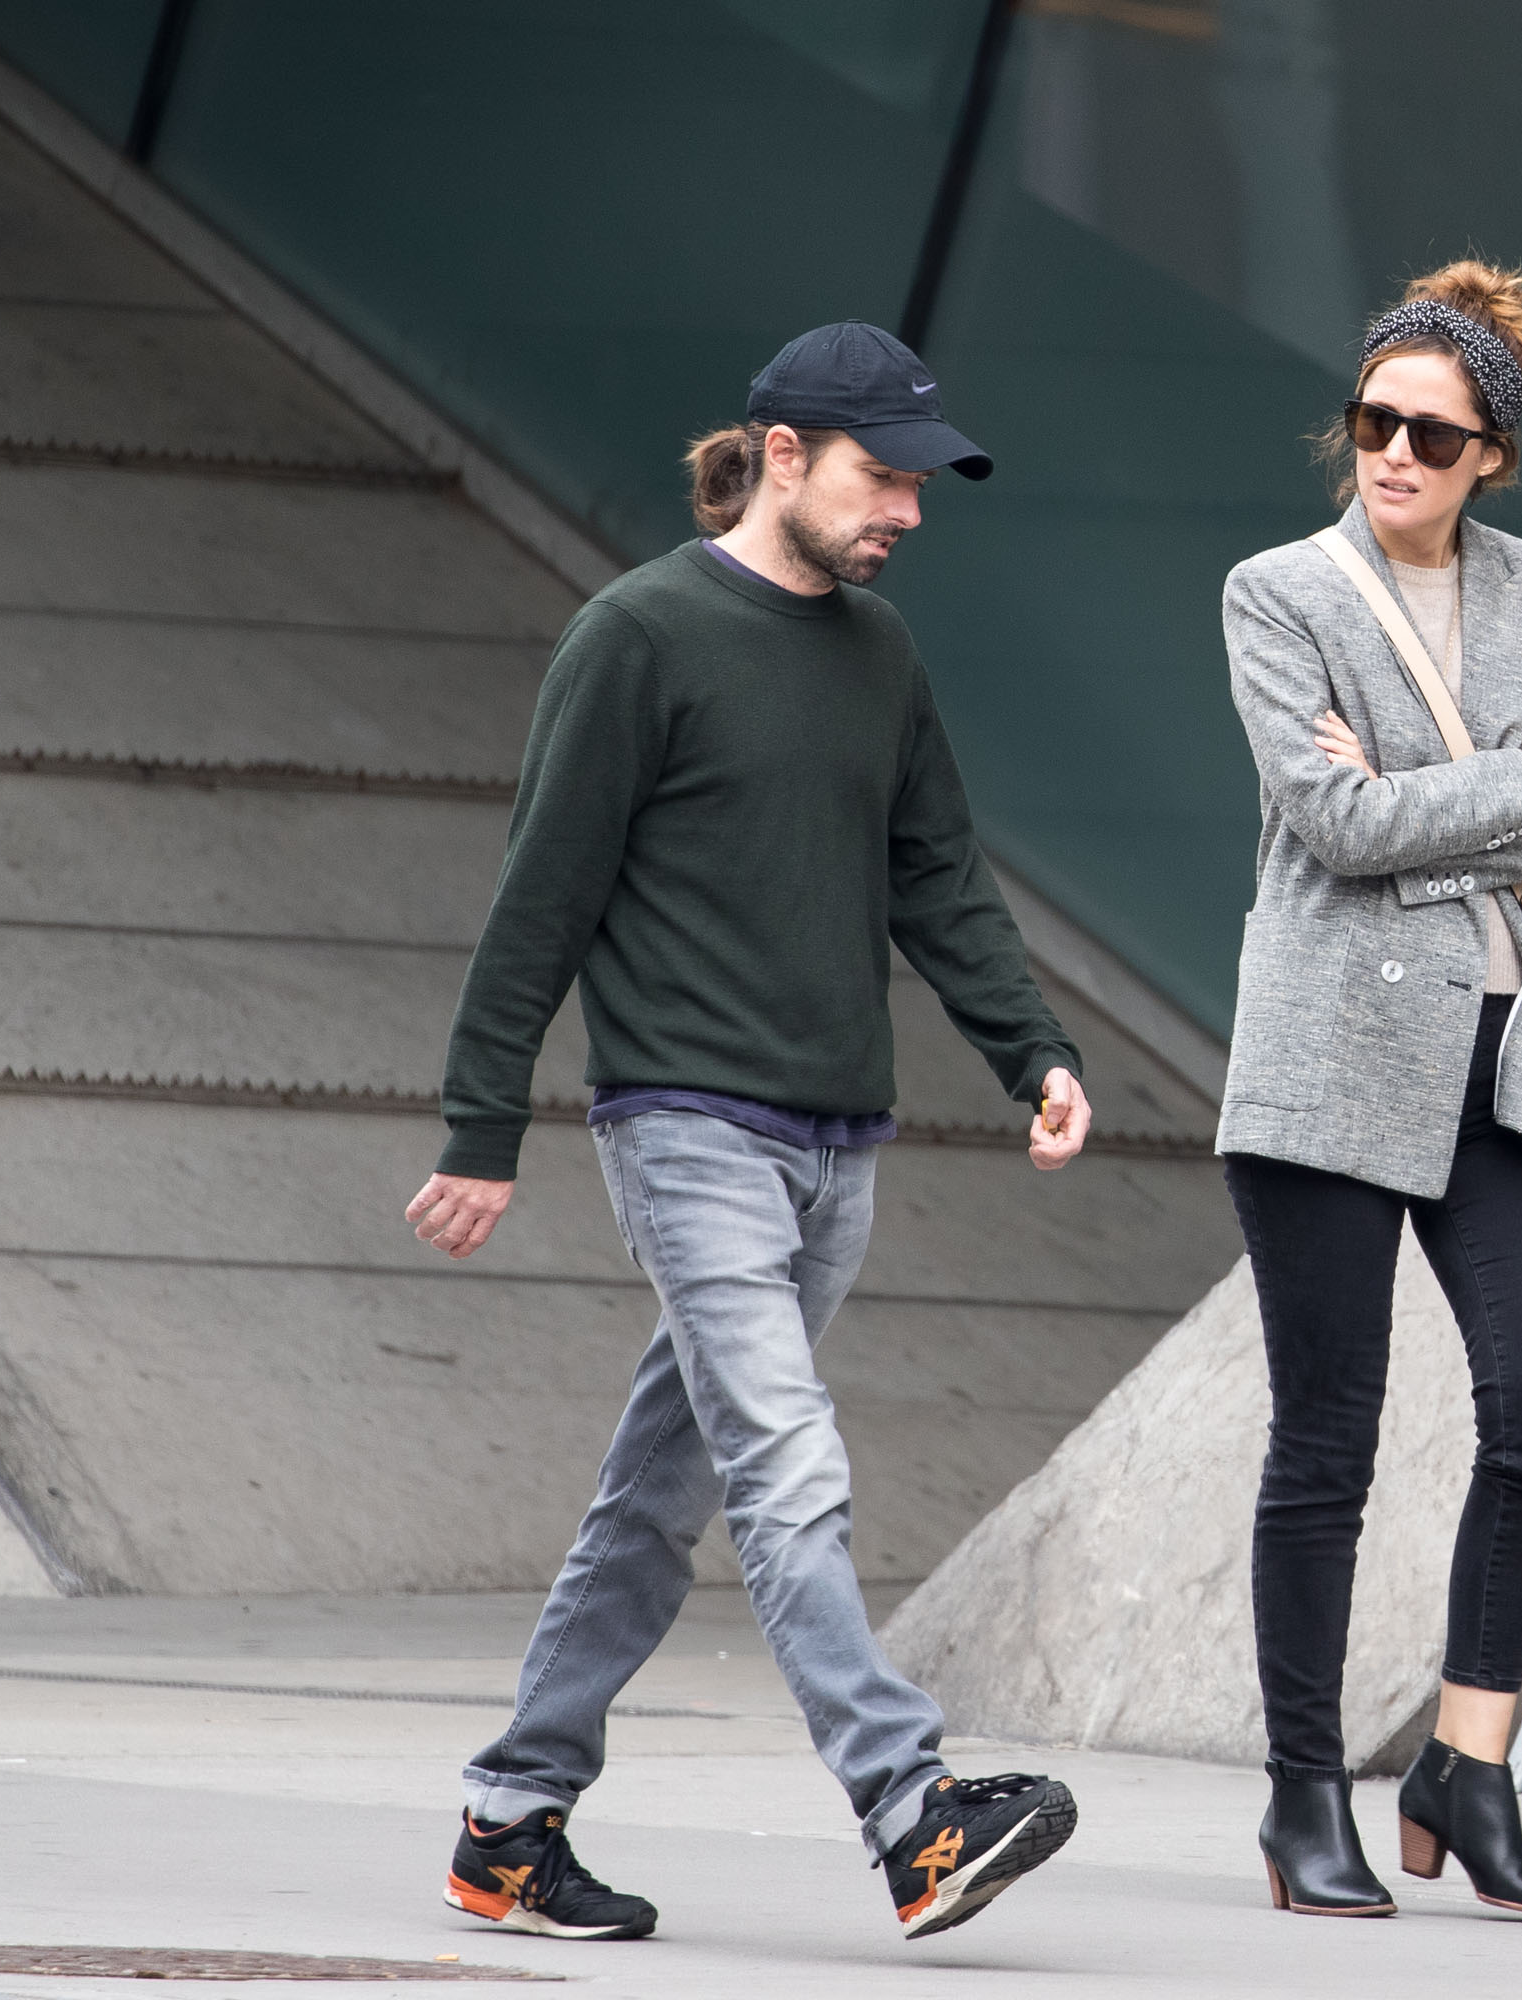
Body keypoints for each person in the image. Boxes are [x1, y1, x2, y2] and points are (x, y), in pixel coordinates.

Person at [404, 322, 1089, 1943]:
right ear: (783, 456)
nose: (907, 511)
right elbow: (542, 897)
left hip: (838, 1148)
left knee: (661, 1498)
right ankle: (913, 1813)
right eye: (882, 477)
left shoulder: (881, 655)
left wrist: (1035, 1052)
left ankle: (510, 1822)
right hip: (686, 1126)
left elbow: (939, 877)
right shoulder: (636, 637)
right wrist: (482, 1125)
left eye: (921, 485)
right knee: (788, 1469)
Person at [1214, 262, 1522, 1920]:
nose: (1392, 453)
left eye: (1432, 436)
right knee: (1329, 1441)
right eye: (1375, 420)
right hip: (1325, 1059)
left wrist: (1438, 798)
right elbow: (1333, 824)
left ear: (1488, 457)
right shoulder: (1278, 592)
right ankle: (1304, 1795)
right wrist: (1509, 780)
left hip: (1499, 1061)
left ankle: (1468, 1764)